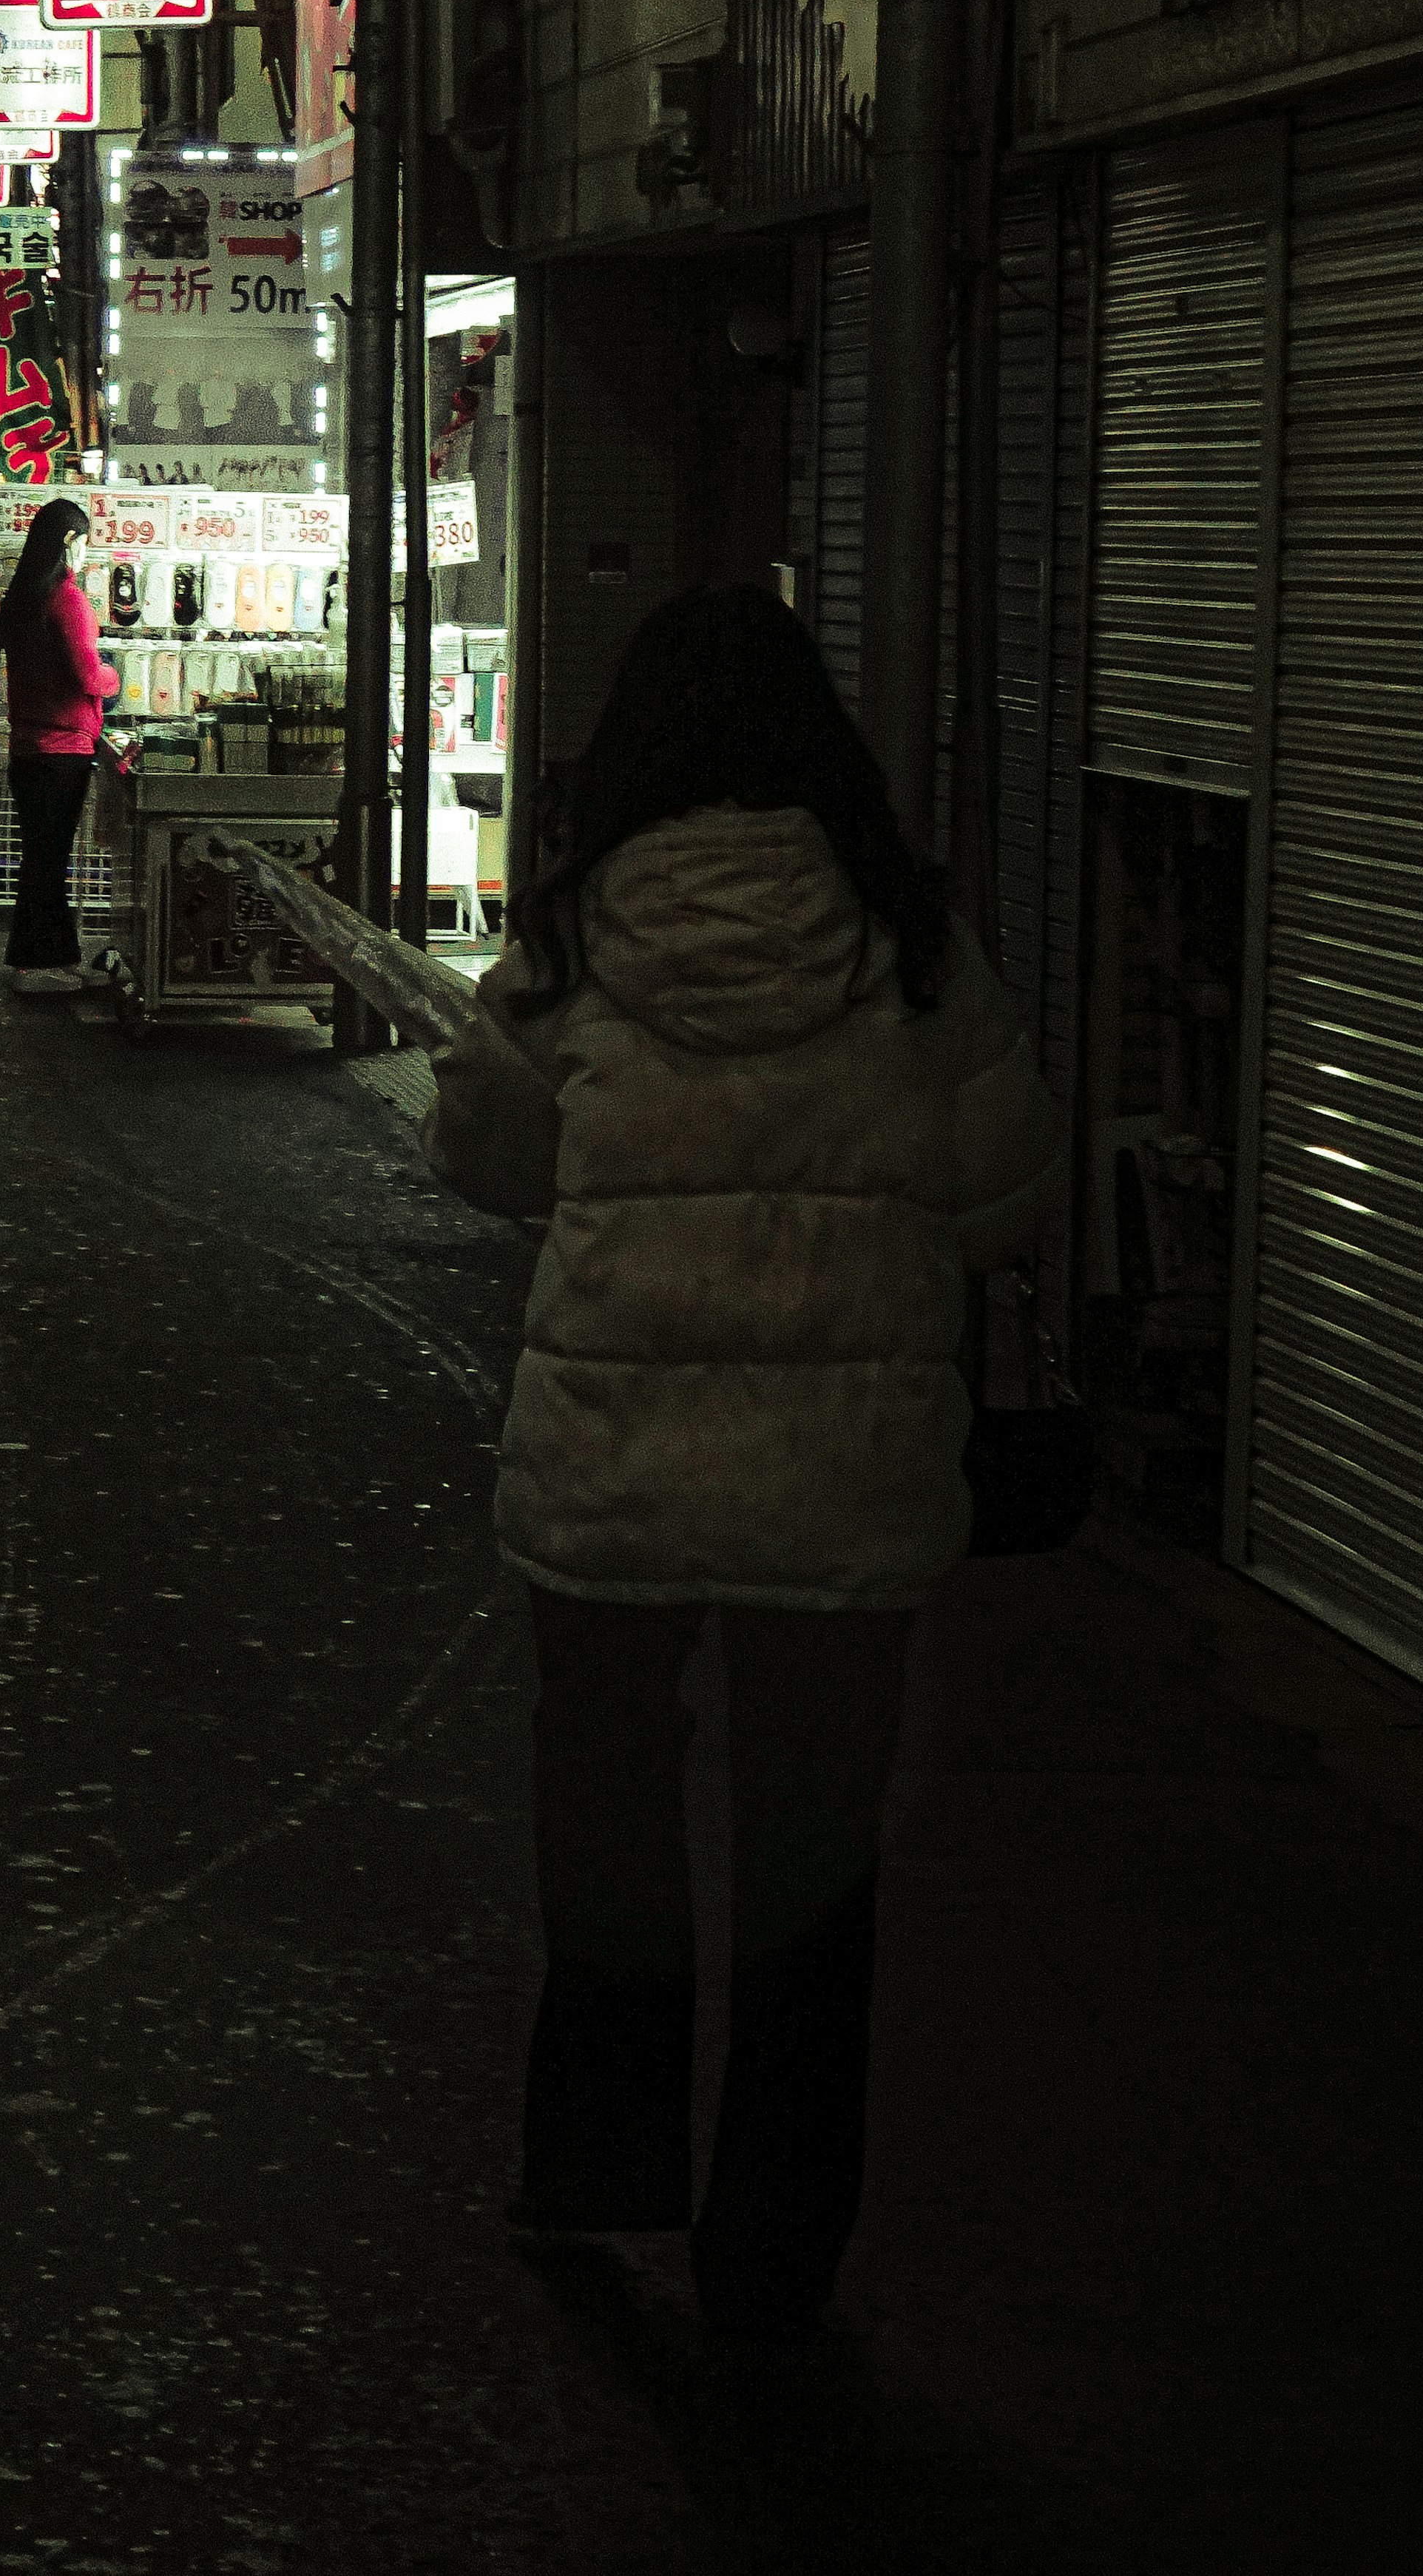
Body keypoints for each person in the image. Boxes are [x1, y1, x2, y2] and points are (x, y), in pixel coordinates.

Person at [424, 584, 1059, 2340]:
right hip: (841, 1478)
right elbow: (1009, 1188)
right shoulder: (913, 946)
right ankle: (769, 2246)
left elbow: (478, 1157)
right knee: (810, 1864)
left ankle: (598, 2164)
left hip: (607, 1469)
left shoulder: (569, 941)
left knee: (609, 1822)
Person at [0, 494, 114, 982]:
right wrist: (114, 675)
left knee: (40, 860)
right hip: (63, 750)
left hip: (27, 749)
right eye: (85, 543)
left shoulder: (22, 597)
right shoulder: (67, 599)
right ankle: (48, 964)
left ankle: (37, 960)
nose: (87, 554)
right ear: (69, 543)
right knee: (49, 861)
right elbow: (90, 676)